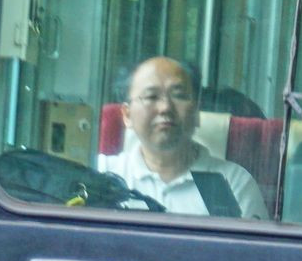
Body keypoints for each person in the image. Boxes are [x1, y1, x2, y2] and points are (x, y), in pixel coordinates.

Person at [94, 56, 264, 216]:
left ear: (196, 112)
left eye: (179, 96)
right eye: (151, 96)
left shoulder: (233, 183)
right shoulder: (102, 173)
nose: (165, 107)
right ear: (127, 115)